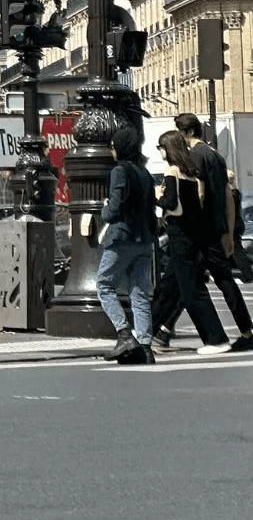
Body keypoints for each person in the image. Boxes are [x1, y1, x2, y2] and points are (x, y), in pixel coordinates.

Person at [172, 112, 253, 350]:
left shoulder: (195, 156)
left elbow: (200, 192)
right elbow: (225, 196)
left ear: (187, 132)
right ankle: (246, 330)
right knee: (225, 280)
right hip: (218, 227)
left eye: (179, 132)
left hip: (203, 229)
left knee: (191, 281)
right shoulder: (215, 155)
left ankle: (226, 335)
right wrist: (228, 231)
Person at [151, 129, 230, 352]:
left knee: (192, 291)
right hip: (194, 235)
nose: (160, 151)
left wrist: (157, 199)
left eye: (161, 147)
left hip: (179, 235)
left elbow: (172, 204)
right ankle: (150, 329)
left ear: (169, 148)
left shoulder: (172, 171)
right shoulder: (190, 173)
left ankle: (215, 338)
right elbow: (194, 205)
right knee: (172, 287)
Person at [94, 122, 158, 364]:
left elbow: (114, 211)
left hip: (122, 236)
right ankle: (145, 346)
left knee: (104, 285)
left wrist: (105, 208)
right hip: (144, 239)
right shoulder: (145, 173)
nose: (111, 150)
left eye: (113, 146)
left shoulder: (119, 171)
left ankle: (124, 335)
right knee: (139, 293)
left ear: (121, 147)